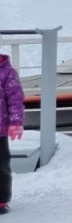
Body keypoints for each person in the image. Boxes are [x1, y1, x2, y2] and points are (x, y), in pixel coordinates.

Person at [0, 51, 24, 215]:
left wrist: (15, 122)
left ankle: (1, 200)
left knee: (0, 164)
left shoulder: (7, 72)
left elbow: (15, 98)